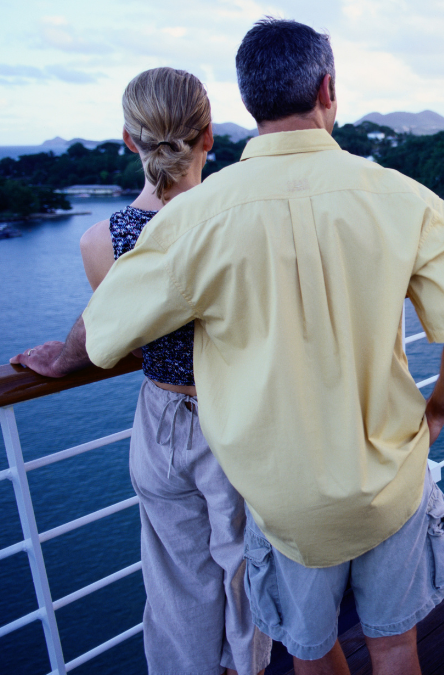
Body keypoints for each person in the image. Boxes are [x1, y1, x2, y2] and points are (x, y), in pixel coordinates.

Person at [12, 20, 444, 675]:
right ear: (328, 88)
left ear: (247, 103)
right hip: (392, 480)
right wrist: (435, 414)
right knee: (394, 648)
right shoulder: (407, 199)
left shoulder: (194, 218)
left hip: (283, 499)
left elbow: (102, 328)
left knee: (309, 647)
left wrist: (63, 358)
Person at [17, 67, 271, 675]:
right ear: (209, 135)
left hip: (160, 424)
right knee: (246, 574)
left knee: (177, 589)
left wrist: (67, 352)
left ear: (129, 141)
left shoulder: (101, 242)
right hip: (236, 420)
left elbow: (129, 343)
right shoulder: (242, 221)